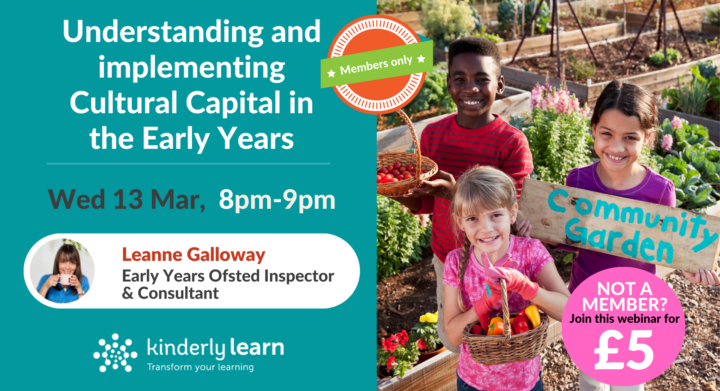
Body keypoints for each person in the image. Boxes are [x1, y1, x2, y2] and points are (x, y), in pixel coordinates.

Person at [551, 80, 720, 390]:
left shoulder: (659, 191)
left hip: (637, 306)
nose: (616, 148)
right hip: (589, 301)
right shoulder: (578, 180)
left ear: (648, 139)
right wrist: (542, 233)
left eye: (630, 138)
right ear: (593, 130)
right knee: (591, 379)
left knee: (629, 382)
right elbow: (568, 238)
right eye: (607, 134)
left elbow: (666, 247)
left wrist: (690, 267)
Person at [391, 37, 534, 354]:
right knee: (456, 340)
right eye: (460, 79)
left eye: (482, 79)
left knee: (497, 341)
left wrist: (455, 192)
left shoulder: (511, 142)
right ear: (448, 84)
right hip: (448, 260)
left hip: (496, 265)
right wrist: (399, 192)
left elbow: (509, 212)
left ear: (500, 84)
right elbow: (426, 203)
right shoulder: (433, 136)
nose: (471, 88)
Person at [443, 166, 570, 391]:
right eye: (473, 218)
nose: (486, 228)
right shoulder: (454, 262)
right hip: (473, 383)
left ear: (512, 213)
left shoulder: (530, 252)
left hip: (525, 383)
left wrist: (526, 287)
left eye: (495, 215)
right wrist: (483, 305)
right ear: (460, 222)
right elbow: (453, 336)